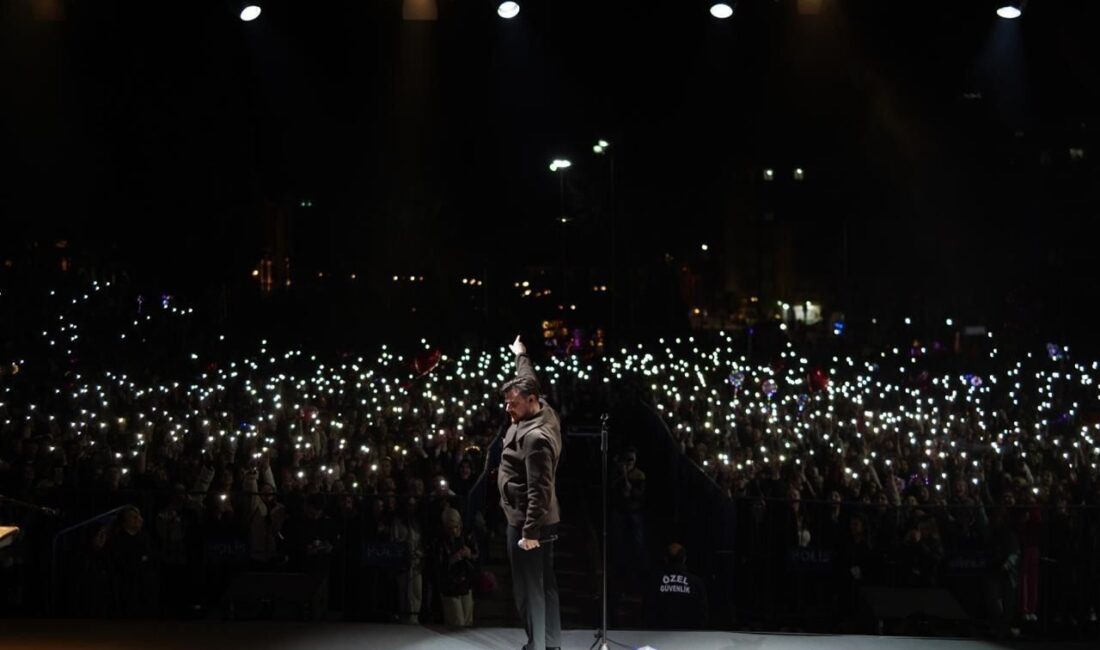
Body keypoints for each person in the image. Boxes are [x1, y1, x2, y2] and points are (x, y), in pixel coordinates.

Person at [498, 335, 562, 650]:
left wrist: (530, 530)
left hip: (528, 521)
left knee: (528, 589)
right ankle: (551, 642)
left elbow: (540, 488)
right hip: (537, 519)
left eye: (514, 403)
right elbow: (528, 378)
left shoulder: (536, 438)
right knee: (544, 584)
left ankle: (537, 645)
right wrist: (521, 354)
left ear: (532, 400)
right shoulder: (542, 406)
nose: (508, 408)